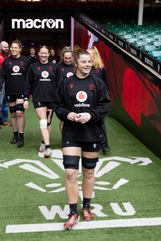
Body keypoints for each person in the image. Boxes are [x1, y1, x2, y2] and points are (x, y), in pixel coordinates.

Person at [55, 49, 111, 230]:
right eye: (84, 62)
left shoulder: (98, 82)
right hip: (71, 133)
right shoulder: (66, 83)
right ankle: (73, 212)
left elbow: (106, 105)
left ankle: (86, 206)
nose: (87, 64)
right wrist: (67, 114)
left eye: (89, 61)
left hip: (91, 133)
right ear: (76, 64)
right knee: (71, 173)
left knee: (88, 172)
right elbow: (57, 105)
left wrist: (91, 115)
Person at [26, 45, 60, 158]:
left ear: (49, 54)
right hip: (38, 98)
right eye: (41, 53)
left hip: (51, 99)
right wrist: (26, 97)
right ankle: (48, 147)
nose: (44, 55)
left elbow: (59, 84)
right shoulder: (33, 67)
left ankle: (43, 142)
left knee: (48, 122)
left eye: (46, 53)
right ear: (38, 54)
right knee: (43, 121)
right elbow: (28, 83)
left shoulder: (54, 67)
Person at [0, 39, 30, 148]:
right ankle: (15, 135)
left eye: (16, 47)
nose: (13, 49)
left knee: (20, 113)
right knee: (13, 114)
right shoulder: (6, 62)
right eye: (12, 47)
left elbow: (29, 77)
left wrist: (29, 92)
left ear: (20, 49)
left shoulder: (25, 61)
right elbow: (1, 75)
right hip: (10, 91)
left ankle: (21, 136)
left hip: (21, 91)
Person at [87, 46, 111, 155]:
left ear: (94, 56)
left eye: (89, 55)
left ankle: (104, 145)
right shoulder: (85, 68)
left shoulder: (101, 69)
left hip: (99, 101)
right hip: (87, 100)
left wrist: (104, 100)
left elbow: (107, 86)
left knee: (100, 122)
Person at [56, 46, 76, 132]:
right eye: (66, 58)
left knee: (75, 118)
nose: (68, 60)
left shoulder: (76, 66)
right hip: (62, 96)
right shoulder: (57, 66)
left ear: (72, 57)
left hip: (75, 96)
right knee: (63, 119)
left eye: (69, 58)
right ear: (62, 57)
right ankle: (65, 139)